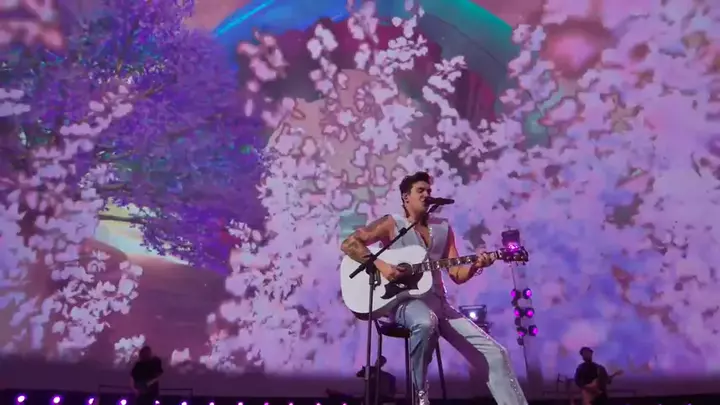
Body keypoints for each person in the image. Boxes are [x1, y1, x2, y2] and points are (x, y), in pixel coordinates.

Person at [340, 171, 528, 405]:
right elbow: (349, 243)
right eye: (420, 190)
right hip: (404, 303)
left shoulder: (442, 229)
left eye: (429, 190)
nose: (427, 194)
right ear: (406, 197)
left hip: (439, 303)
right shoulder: (392, 224)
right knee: (426, 322)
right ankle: (420, 392)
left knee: (496, 354)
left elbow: (456, 274)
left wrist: (476, 266)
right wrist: (383, 266)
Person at [327, 356, 397, 404]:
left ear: (383, 364)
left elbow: (392, 379)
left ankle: (335, 393)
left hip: (377, 396)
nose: (378, 363)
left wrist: (391, 392)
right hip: (370, 396)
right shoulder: (370, 369)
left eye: (381, 362)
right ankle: (335, 393)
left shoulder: (385, 375)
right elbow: (359, 374)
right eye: (378, 361)